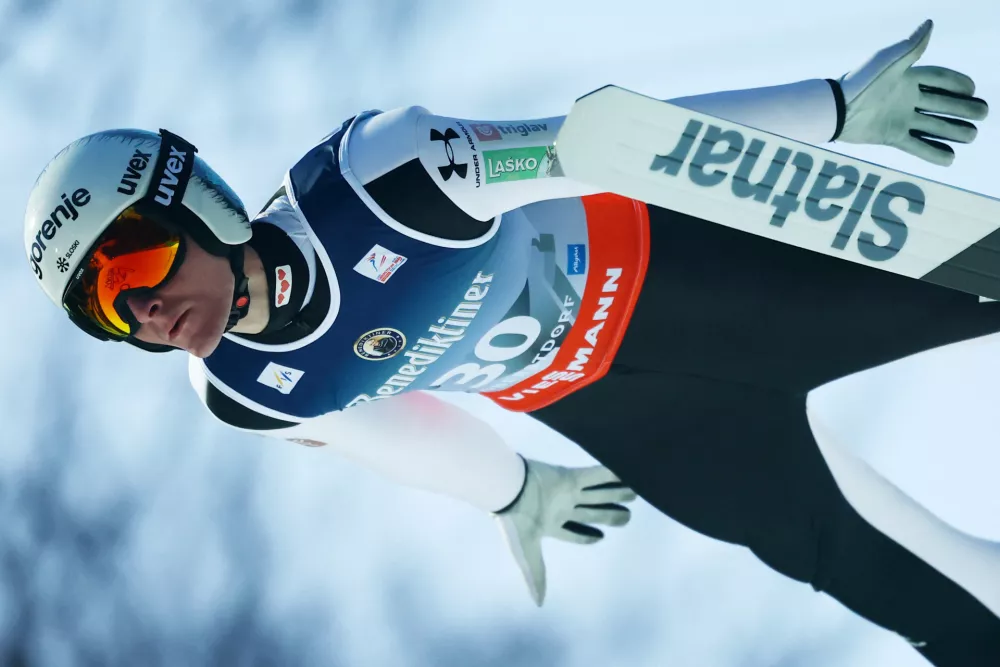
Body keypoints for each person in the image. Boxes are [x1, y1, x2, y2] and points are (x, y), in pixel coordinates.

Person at [22, 18, 1000, 666]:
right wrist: (512, 489)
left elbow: (593, 143)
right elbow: (380, 423)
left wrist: (829, 107)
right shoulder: (242, 390)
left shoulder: (381, 179)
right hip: (638, 417)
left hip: (698, 280)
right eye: (104, 308)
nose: (140, 309)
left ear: (193, 202)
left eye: (130, 264)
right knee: (927, 593)